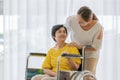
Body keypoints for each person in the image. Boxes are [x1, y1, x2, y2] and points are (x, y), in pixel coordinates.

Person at [64, 6, 103, 80]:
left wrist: (80, 47)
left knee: (87, 77)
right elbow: (64, 32)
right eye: (78, 19)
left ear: (90, 20)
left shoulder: (98, 27)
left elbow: (96, 47)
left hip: (90, 55)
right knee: (71, 76)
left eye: (81, 22)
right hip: (75, 53)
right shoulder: (72, 19)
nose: (78, 23)